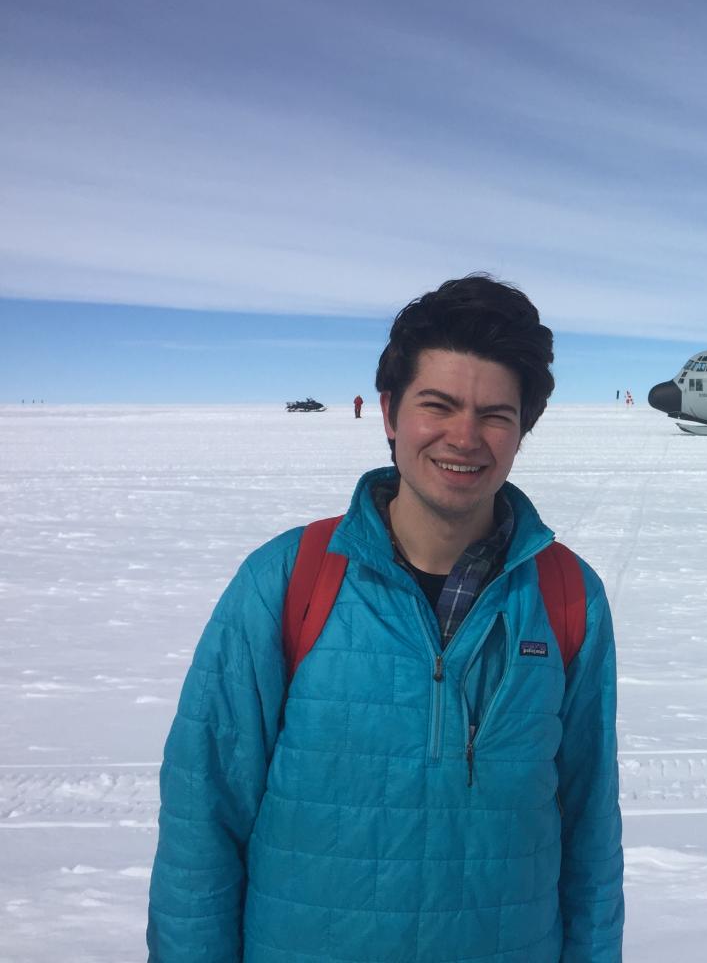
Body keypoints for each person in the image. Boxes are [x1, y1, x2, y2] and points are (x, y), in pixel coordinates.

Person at [148, 275, 624, 962]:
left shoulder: (568, 597)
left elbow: (590, 833)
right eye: (439, 405)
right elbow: (203, 819)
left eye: (496, 414)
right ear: (390, 412)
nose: (465, 437)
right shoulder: (288, 582)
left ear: (523, 431)